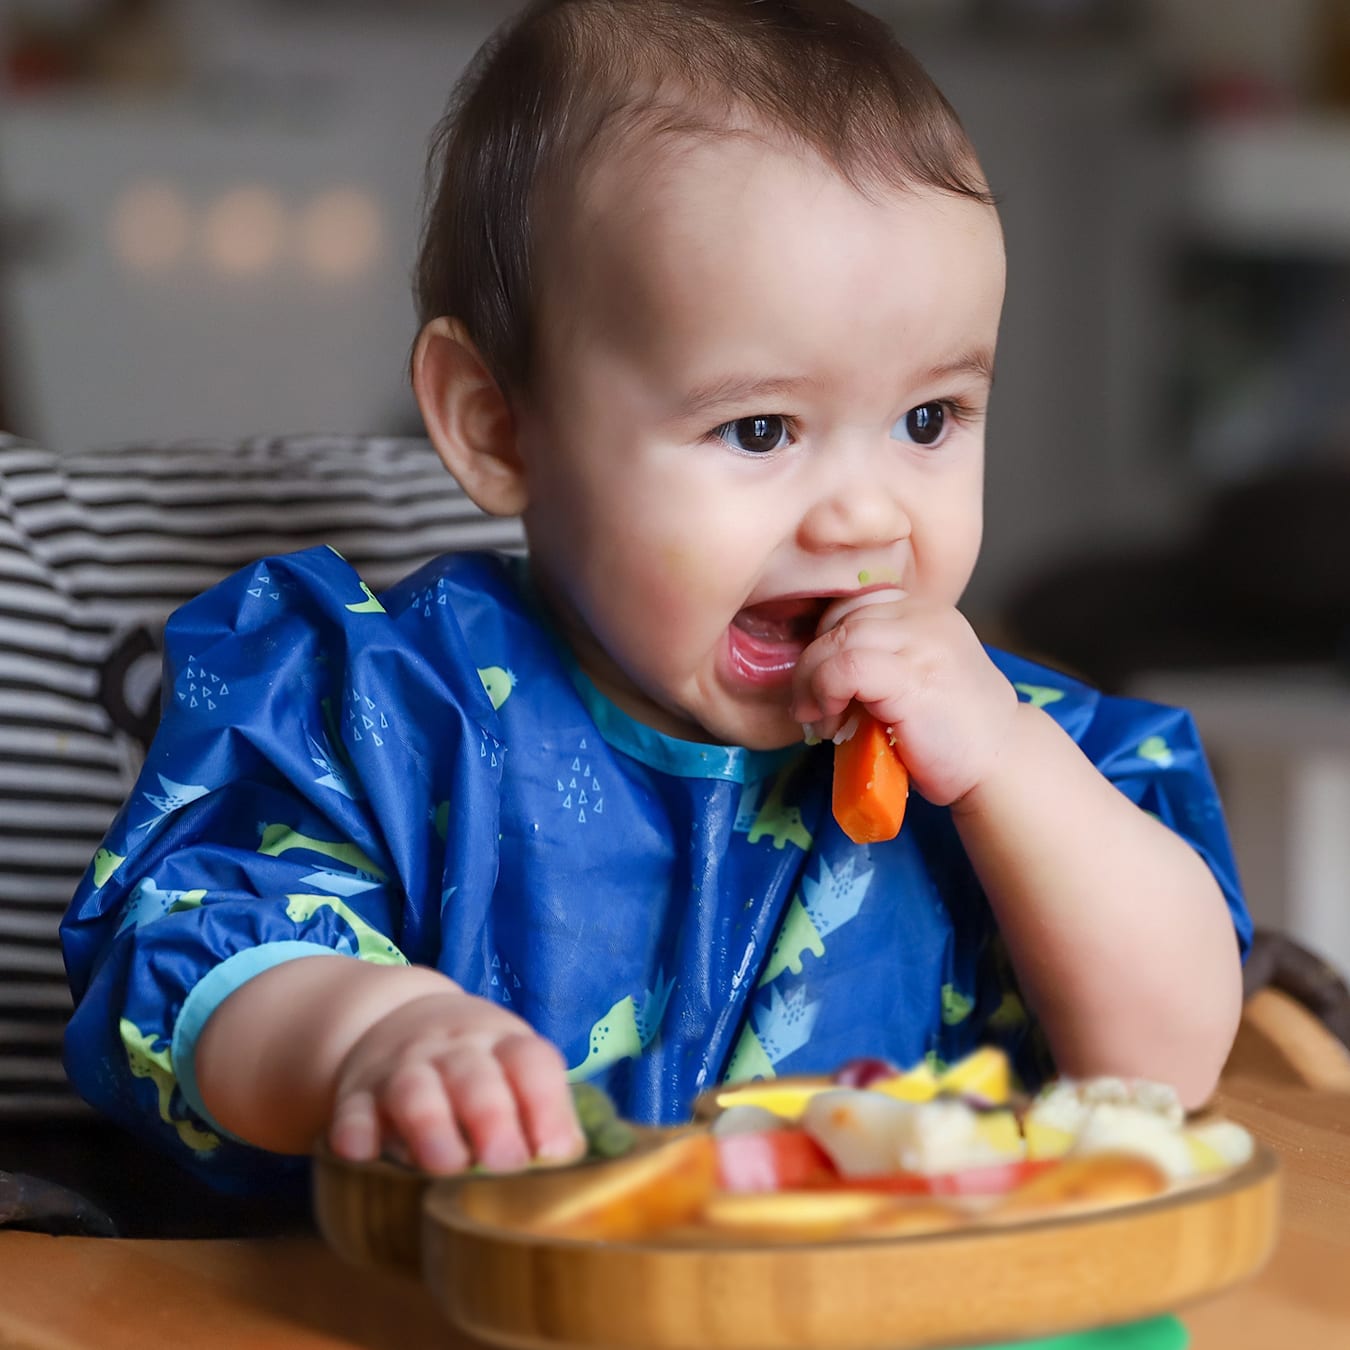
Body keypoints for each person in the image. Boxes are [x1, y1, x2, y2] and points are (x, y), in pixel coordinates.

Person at [60, 0, 1249, 1193]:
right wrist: (367, 1038)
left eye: (927, 420)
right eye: (760, 427)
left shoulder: (1008, 750)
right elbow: (192, 965)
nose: (867, 516)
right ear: (497, 426)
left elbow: (1171, 1061)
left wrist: (1009, 768)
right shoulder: (382, 711)